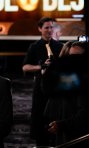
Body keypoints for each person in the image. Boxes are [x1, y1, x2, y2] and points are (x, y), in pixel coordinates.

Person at [22, 17, 63, 146]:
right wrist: (41, 67)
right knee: (40, 120)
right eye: (46, 27)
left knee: (56, 118)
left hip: (56, 89)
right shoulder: (34, 47)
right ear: (40, 29)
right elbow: (25, 67)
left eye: (51, 27)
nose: (50, 30)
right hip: (40, 90)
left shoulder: (60, 46)